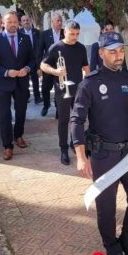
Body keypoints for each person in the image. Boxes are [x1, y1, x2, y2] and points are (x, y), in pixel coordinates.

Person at [70, 31, 128, 255]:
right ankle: (112, 248)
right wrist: (80, 156)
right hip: (103, 155)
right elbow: (76, 120)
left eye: (121, 50)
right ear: (101, 53)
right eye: (112, 51)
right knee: (106, 208)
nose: (118, 56)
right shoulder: (90, 84)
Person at [0, 11, 35, 161]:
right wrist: (7, 72)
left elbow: (32, 60)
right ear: (3, 23)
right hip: (4, 82)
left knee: (21, 111)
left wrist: (26, 69)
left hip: (22, 82)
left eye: (15, 22)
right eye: (10, 22)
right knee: (5, 115)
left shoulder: (25, 39)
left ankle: (18, 135)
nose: (13, 25)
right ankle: (7, 145)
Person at [40, 20, 89, 165]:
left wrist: (91, 81)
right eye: (72, 33)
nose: (75, 37)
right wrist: (55, 71)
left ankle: (75, 144)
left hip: (78, 89)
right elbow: (43, 64)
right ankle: (63, 149)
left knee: (79, 120)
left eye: (77, 34)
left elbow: (86, 67)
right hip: (62, 91)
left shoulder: (81, 48)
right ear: (64, 32)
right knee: (63, 121)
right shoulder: (56, 47)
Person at [38, 12, 64, 117]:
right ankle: (46, 105)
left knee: (59, 88)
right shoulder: (44, 34)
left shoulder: (64, 33)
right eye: (57, 21)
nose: (59, 23)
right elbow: (39, 51)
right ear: (52, 22)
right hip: (48, 66)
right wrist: (38, 67)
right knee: (45, 88)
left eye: (61, 20)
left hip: (61, 66)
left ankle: (58, 108)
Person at [19, 14, 43, 104]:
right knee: (24, 79)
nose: (26, 22)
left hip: (35, 58)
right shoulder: (18, 32)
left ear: (31, 21)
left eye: (27, 20)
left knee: (35, 78)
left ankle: (37, 97)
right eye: (24, 20)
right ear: (21, 22)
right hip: (24, 60)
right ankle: (26, 96)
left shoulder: (37, 32)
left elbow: (40, 47)